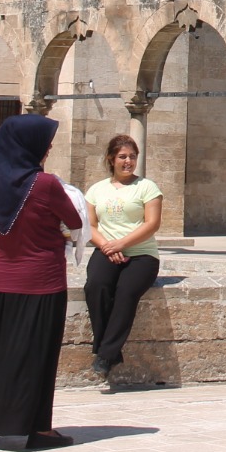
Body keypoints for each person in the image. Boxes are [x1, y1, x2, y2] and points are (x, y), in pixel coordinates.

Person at [0, 115, 82, 450]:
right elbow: (75, 219)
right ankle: (37, 428)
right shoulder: (45, 184)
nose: (48, 148)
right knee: (37, 355)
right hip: (41, 280)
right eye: (44, 142)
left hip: (2, 279)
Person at [84, 134, 163, 381]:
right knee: (96, 286)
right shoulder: (96, 190)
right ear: (111, 159)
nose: (128, 161)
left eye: (132, 157)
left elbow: (152, 224)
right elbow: (89, 225)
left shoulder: (147, 188)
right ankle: (109, 351)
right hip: (106, 251)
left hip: (141, 255)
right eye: (122, 157)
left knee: (126, 292)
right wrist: (109, 246)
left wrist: (122, 243)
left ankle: (105, 354)